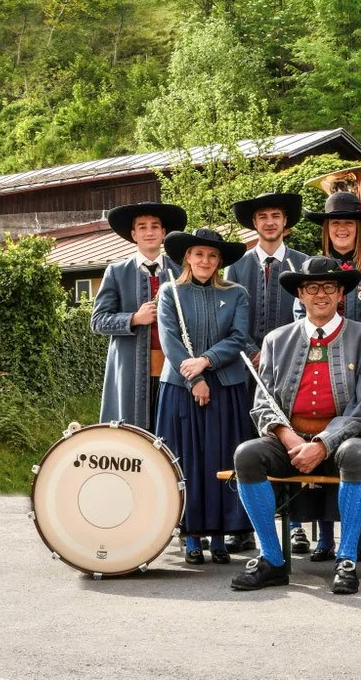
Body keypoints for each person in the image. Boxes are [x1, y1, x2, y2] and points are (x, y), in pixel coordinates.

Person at [228, 257, 361, 594]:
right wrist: (288, 437)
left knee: (358, 454)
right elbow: (263, 402)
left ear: (341, 292)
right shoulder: (276, 340)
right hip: (291, 439)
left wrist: (323, 443)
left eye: (329, 287)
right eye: (312, 287)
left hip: (340, 439)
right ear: (300, 293)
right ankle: (272, 558)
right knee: (246, 455)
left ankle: (346, 560)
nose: (321, 294)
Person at [154, 227, 255, 565]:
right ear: (187, 257)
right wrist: (194, 377)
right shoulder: (169, 292)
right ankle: (192, 535)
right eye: (199, 254)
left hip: (225, 387)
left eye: (212, 256)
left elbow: (239, 337)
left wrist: (207, 360)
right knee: (188, 461)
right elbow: (169, 341)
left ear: (220, 261)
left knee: (221, 460)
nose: (206, 261)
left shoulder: (237, 293)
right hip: (181, 390)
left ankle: (220, 536)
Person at [94, 201, 185, 432]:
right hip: (131, 371)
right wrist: (134, 318)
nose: (149, 232)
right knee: (132, 435)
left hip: (174, 369)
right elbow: (98, 321)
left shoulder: (181, 271)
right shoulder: (116, 272)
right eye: (142, 227)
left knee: (172, 433)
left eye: (155, 226)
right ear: (133, 234)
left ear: (164, 233)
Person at [224, 191, 311, 346]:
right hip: (245, 360)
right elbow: (228, 317)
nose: (270, 222)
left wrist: (276, 351)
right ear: (254, 222)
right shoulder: (236, 265)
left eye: (276, 216)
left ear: (285, 220)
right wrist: (252, 352)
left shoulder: (304, 263)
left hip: (291, 354)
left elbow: (309, 316)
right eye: (263, 217)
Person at [302, 192, 361, 331]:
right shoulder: (309, 265)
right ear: (327, 228)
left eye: (349, 222)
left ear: (358, 228)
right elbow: (301, 312)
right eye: (335, 223)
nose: (342, 228)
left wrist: (360, 343)